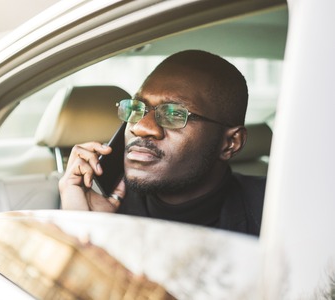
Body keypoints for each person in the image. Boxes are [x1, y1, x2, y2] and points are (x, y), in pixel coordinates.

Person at [59, 50, 265, 236]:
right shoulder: (101, 209)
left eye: (174, 114)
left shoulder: (275, 214)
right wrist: (84, 228)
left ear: (231, 143)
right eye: (136, 108)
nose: (139, 127)